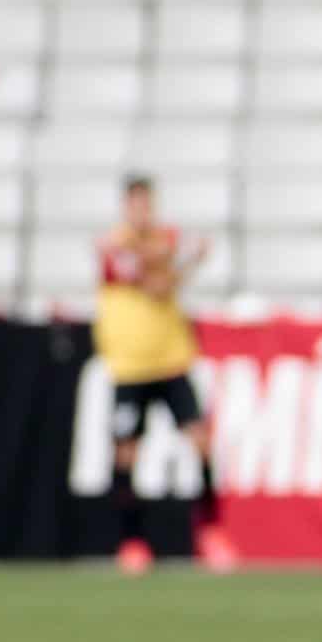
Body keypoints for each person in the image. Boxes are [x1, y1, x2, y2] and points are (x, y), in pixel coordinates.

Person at [94, 174, 237, 575]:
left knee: (201, 441)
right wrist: (182, 260)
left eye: (146, 205)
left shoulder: (161, 238)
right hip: (130, 366)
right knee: (126, 452)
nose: (142, 212)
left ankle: (211, 533)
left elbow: (191, 248)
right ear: (126, 208)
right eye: (135, 205)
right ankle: (131, 541)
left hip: (173, 361)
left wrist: (177, 256)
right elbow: (155, 283)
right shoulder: (113, 246)